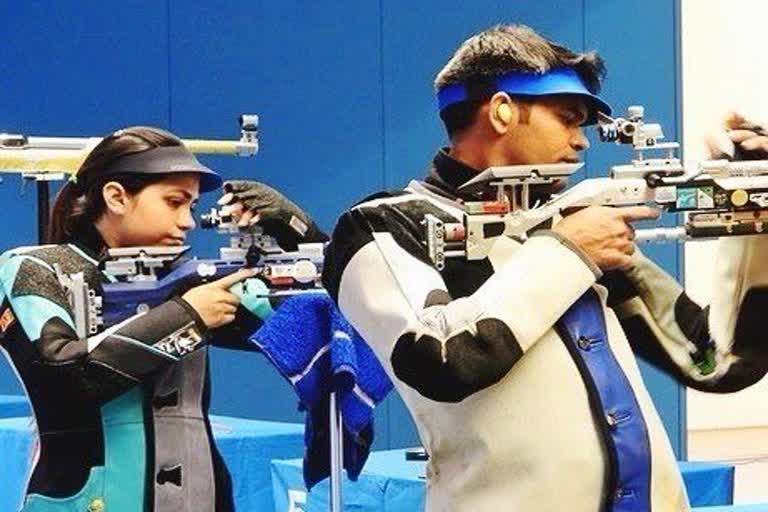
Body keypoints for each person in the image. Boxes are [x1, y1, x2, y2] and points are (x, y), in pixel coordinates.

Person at [322, 24, 768, 511]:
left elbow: (716, 361)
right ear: (502, 110)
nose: (581, 142)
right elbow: (440, 360)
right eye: (567, 118)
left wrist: (754, 216)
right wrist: (568, 252)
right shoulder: (382, 226)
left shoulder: (568, 224)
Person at [0, 126, 324, 511]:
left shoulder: (190, 280)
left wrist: (299, 234)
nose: (188, 221)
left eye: (190, 205)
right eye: (174, 202)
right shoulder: (35, 269)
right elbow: (62, 379)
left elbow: (323, 329)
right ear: (116, 197)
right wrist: (189, 317)